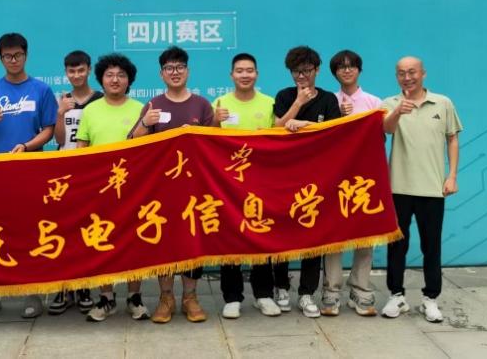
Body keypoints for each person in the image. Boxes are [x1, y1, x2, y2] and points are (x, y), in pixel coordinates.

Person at [0, 32, 58, 320]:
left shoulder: (41, 90)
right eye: (7, 56)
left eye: (18, 55)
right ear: (0, 59)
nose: (13, 60)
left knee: (28, 233)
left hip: (29, 171)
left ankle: (31, 293)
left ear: (26, 55)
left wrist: (27, 146)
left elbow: (48, 129)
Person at [129, 46, 214, 324]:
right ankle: (166, 297)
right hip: (161, 188)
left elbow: (215, 146)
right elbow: (133, 144)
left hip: (194, 186)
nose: (175, 72)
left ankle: (190, 297)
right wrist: (145, 123)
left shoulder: (202, 105)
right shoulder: (153, 105)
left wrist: (204, 132)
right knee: (163, 242)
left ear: (188, 71)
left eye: (179, 67)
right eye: (169, 68)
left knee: (193, 241)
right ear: (161, 74)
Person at [380, 56, 461, 323]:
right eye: (401, 73)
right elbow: (385, 130)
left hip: (432, 188)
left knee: (431, 246)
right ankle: (396, 295)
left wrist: (451, 176)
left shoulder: (442, 103)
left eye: (412, 72)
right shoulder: (389, 103)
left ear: (423, 73)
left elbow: (452, 139)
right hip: (398, 187)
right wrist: (397, 112)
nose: (407, 77)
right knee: (397, 246)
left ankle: (430, 299)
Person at [74, 53, 149, 322]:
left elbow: (149, 151)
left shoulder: (141, 109)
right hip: (100, 190)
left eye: (121, 75)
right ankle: (106, 298)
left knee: (135, 242)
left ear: (129, 80)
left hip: (134, 188)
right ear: (101, 79)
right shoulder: (91, 110)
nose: (115, 80)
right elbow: (81, 148)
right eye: (109, 75)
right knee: (101, 240)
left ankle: (135, 297)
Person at [273, 45, 342, 318]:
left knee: (313, 236)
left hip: (317, 178)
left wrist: (305, 126)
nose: (301, 76)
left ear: (317, 70)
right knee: (281, 234)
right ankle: (280, 287)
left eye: (306, 71)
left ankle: (306, 293)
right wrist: (298, 104)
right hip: (285, 175)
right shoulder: (284, 96)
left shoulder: (328, 99)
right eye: (296, 72)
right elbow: (277, 128)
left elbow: (335, 134)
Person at [213, 53, 282, 320]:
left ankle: (264, 294)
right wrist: (214, 120)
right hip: (227, 184)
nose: (245, 75)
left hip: (261, 182)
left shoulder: (269, 103)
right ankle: (232, 297)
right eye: (239, 70)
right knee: (230, 238)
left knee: (261, 234)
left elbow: (278, 138)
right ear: (231, 75)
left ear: (257, 74)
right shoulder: (219, 104)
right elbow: (206, 141)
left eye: (249, 70)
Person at [320, 49, 382, 317]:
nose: (346, 70)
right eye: (341, 67)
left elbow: (379, 138)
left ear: (359, 70)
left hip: (365, 177)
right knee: (333, 235)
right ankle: (331, 290)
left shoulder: (374, 102)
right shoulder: (328, 101)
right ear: (334, 72)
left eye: (351, 66)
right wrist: (339, 118)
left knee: (365, 234)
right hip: (335, 177)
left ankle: (360, 288)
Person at [48, 50, 102, 315]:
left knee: (87, 230)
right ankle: (63, 286)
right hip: (64, 174)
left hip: (91, 174)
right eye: (72, 71)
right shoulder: (62, 100)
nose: (77, 75)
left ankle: (84, 286)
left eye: (81, 70)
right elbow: (59, 139)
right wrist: (60, 113)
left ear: (89, 70)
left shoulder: (100, 99)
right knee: (64, 230)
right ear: (66, 73)